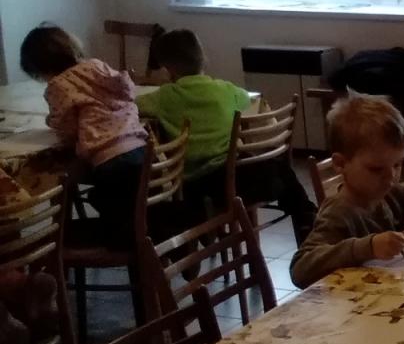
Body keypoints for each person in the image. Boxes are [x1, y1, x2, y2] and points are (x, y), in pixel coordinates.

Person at [138, 29, 316, 242]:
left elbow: (134, 105)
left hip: (197, 183)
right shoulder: (225, 90)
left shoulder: (164, 98)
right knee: (282, 171)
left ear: (168, 70)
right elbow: (249, 100)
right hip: (237, 177)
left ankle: (203, 219)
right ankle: (307, 221)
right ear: (202, 59)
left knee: (271, 173)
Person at [290, 95, 404, 288]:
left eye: (397, 164)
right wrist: (367, 248)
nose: (391, 177)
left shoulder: (388, 193)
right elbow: (300, 268)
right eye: (376, 169)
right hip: (352, 301)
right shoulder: (338, 213)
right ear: (341, 164)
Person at [20, 24, 148, 248]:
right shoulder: (96, 65)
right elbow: (126, 90)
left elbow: (66, 128)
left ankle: (117, 243)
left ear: (40, 67)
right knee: (130, 203)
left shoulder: (59, 85)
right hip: (139, 147)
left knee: (103, 200)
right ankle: (141, 240)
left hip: (109, 159)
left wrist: (52, 123)